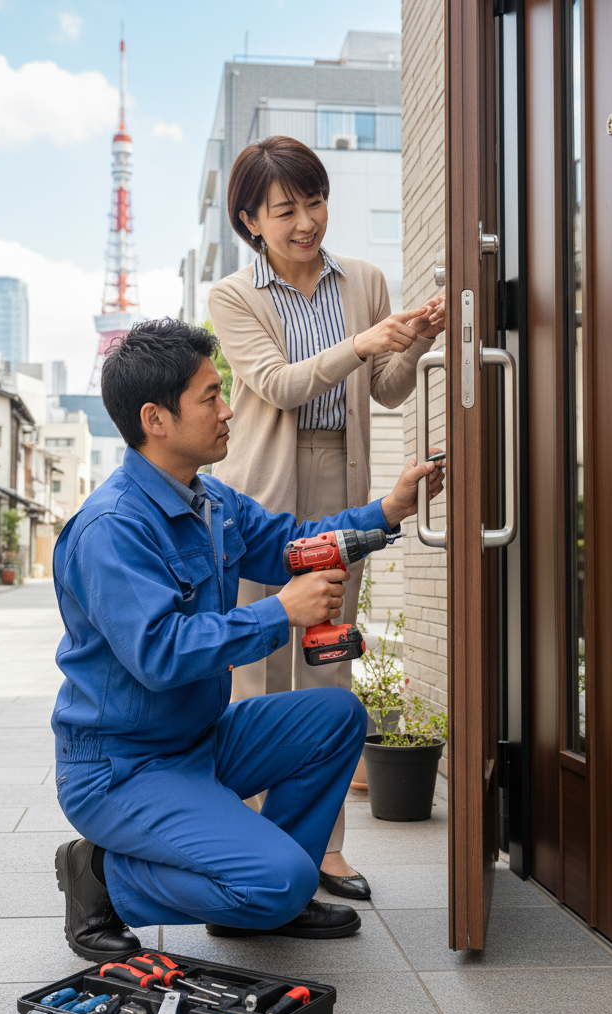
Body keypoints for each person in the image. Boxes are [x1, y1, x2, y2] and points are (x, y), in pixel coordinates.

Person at [51, 318, 444, 959]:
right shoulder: (112, 528)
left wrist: (390, 510)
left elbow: (297, 544)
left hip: (198, 742)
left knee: (335, 715)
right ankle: (101, 876)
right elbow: (160, 654)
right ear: (155, 419)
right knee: (281, 881)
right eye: (211, 396)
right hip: (122, 769)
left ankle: (258, 902)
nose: (228, 409)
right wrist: (280, 613)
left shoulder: (213, 503)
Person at [207, 135, 445, 899]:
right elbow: (279, 384)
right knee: (256, 673)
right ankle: (248, 841)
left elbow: (388, 389)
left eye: (315, 202)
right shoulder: (233, 296)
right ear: (250, 221)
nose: (306, 221)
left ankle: (325, 846)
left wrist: (417, 337)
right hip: (260, 493)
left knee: (328, 662)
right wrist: (363, 342)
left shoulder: (364, 280)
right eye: (285, 210)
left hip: (340, 482)